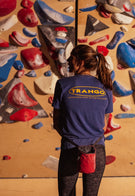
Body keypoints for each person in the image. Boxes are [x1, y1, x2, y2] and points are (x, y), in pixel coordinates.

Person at [52, 44, 113, 196]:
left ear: (80, 61)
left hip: (70, 148)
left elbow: (57, 122)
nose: (69, 62)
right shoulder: (106, 87)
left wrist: (72, 137)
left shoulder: (63, 84)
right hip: (97, 149)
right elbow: (104, 125)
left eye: (71, 59)